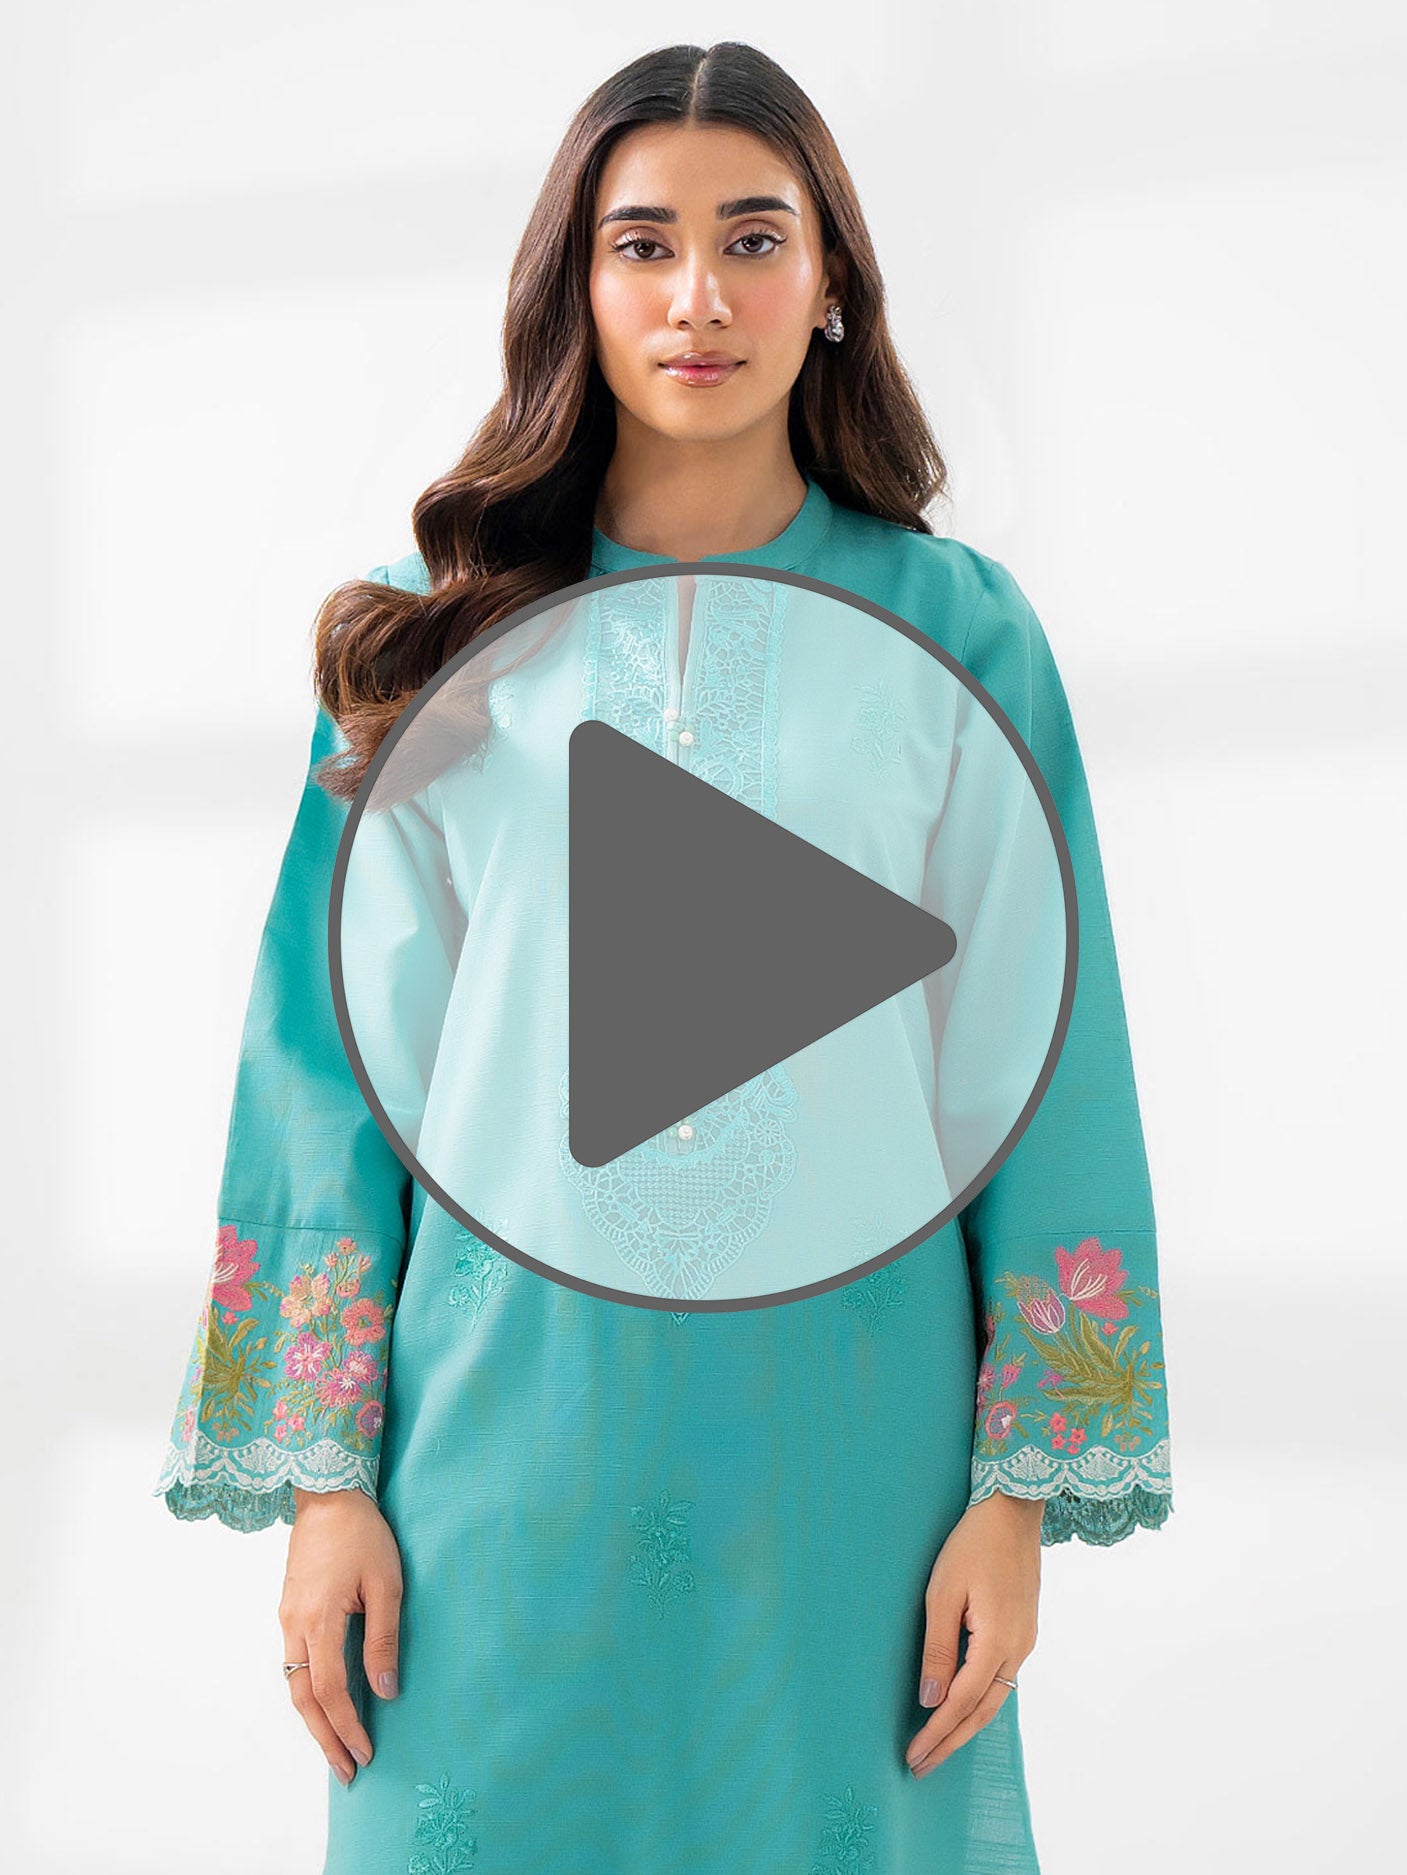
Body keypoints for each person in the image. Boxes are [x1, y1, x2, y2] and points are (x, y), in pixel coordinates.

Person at [152, 41, 1173, 1874]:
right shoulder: (442, 633)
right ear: (579, 284)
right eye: (644, 245)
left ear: (832, 279)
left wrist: (1017, 1500)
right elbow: (330, 1061)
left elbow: (1041, 1060)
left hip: (852, 1469)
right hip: (489, 1465)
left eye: (754, 239)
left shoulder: (961, 633)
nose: (700, 295)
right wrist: (325, 1487)